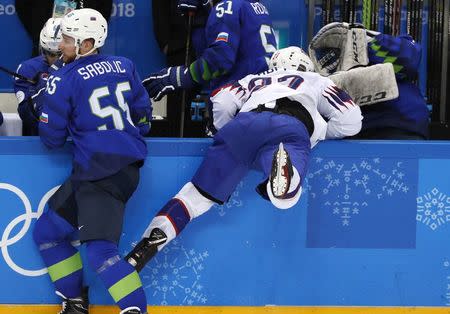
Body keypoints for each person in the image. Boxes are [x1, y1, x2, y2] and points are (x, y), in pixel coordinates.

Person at [125, 47, 363, 271]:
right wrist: (318, 133)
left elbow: (221, 101)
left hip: (242, 127)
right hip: (289, 129)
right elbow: (351, 120)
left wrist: (229, 133)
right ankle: (282, 178)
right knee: (285, 197)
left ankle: (147, 245)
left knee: (194, 198)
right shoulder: (315, 80)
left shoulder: (253, 79)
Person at [33, 9, 151, 314]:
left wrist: (47, 102)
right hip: (110, 170)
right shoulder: (125, 65)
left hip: (101, 173)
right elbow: (143, 115)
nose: (62, 46)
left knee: (100, 253)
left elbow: (51, 138)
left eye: (69, 40)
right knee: (48, 233)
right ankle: (74, 303)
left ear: (87, 44)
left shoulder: (63, 78)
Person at [143, 0, 278, 134]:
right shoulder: (257, 8)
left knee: (222, 152)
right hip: (261, 98)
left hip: (236, 104)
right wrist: (204, 17)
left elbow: (220, 60)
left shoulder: (227, 7)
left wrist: (178, 77)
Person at [308, 23, 429, 139]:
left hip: (400, 129)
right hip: (350, 137)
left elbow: (411, 59)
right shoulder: (316, 76)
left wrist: (366, 40)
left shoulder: (378, 48)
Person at [14, 17, 63, 136]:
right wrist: (41, 93)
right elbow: (26, 117)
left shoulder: (85, 68)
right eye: (52, 54)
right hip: (39, 141)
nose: (58, 60)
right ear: (43, 51)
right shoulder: (28, 69)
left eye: (61, 54)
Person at [15, 0, 112, 56]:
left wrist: (88, 35)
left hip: (83, 50)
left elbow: (102, 13)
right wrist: (40, 34)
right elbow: (23, 7)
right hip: (47, 49)